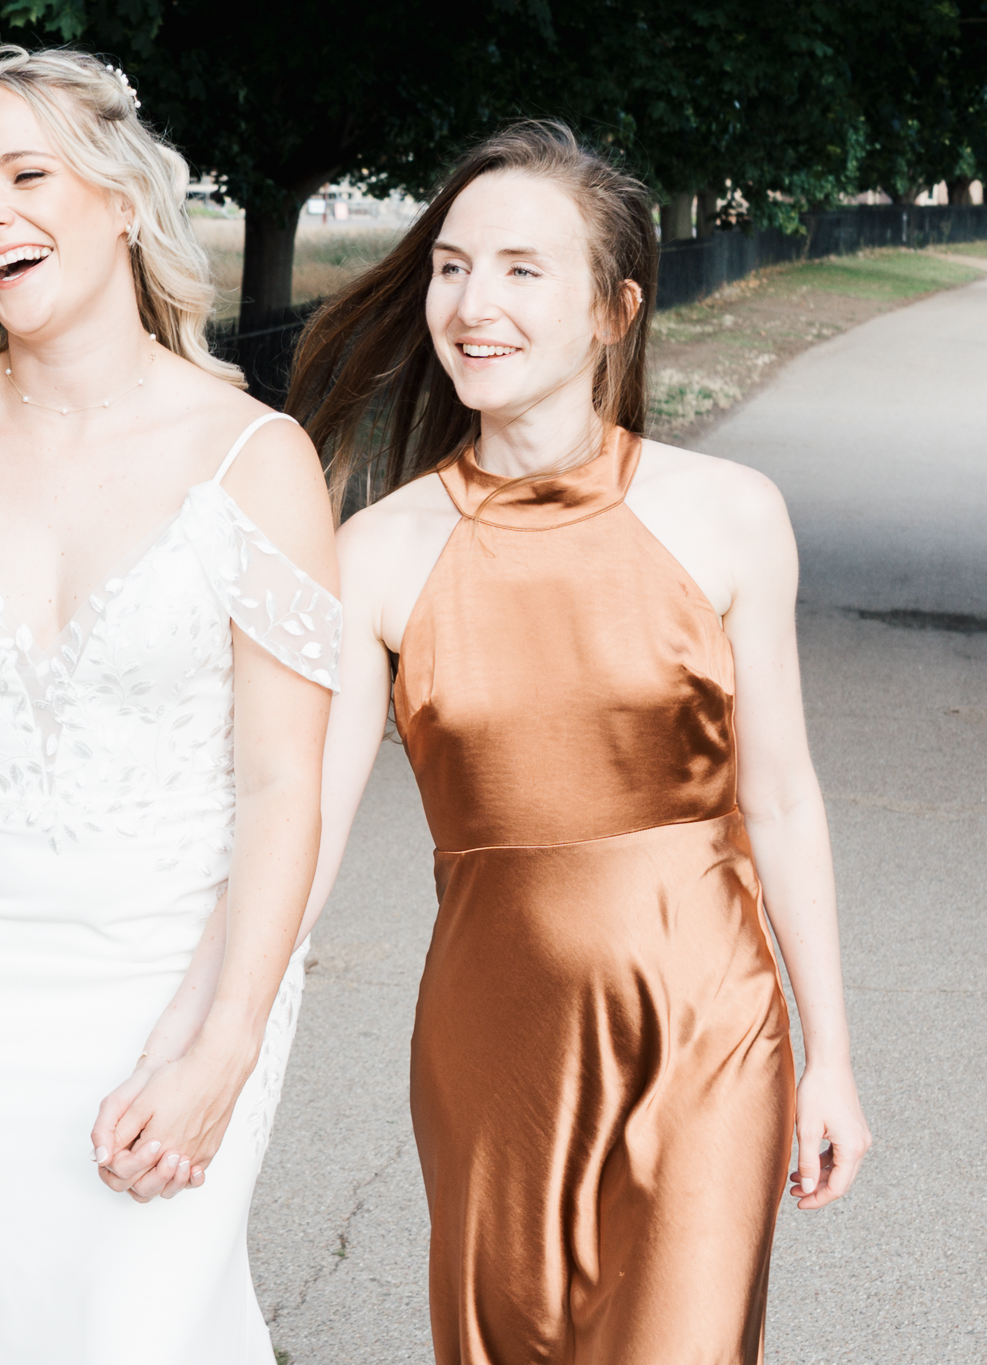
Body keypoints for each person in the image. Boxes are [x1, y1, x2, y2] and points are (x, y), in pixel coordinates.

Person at [285, 122, 872, 1363]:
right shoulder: (374, 553)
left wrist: (830, 1058)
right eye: (450, 267)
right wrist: (212, 1031)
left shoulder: (729, 517)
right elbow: (306, 835)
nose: (470, 305)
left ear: (613, 309)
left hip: (707, 1026)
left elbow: (779, 801)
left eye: (519, 269)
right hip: (488, 1043)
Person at [0, 45, 340, 1363]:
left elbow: (285, 785)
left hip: (176, 969)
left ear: (122, 197)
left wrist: (222, 1046)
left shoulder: (254, 462)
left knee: (144, 1321)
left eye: (25, 175)